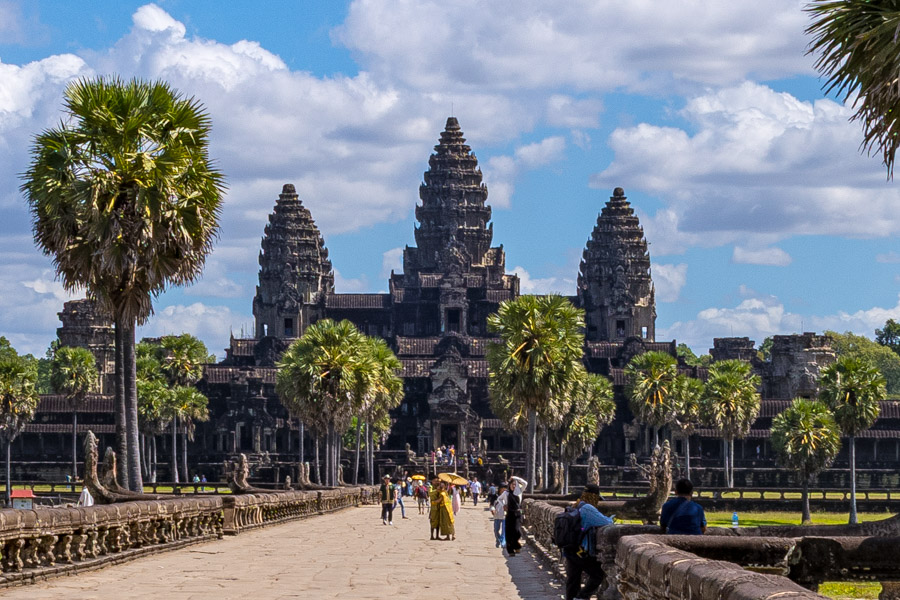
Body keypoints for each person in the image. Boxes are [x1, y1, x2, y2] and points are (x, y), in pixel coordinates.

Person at [562, 484, 612, 600]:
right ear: (594, 496)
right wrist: (611, 518)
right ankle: (582, 597)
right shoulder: (588, 508)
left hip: (569, 548)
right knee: (598, 574)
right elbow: (607, 522)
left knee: (573, 579)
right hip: (580, 550)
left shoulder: (577, 505)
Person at [504, 478, 522, 555]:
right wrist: (503, 505)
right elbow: (499, 500)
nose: (514, 486)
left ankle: (516, 545)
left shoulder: (519, 492)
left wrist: (515, 478)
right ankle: (510, 550)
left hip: (517, 514)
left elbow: (525, 483)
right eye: (512, 484)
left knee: (517, 531)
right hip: (509, 514)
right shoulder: (506, 493)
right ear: (509, 485)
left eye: (515, 484)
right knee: (509, 532)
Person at [490, 482, 508, 548]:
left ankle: (503, 542)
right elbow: (491, 504)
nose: (504, 490)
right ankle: (498, 540)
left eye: (505, 488)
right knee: (496, 530)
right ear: (500, 489)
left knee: (504, 531)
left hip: (504, 516)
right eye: (503, 488)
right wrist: (492, 509)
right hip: (497, 515)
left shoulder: (507, 496)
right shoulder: (495, 496)